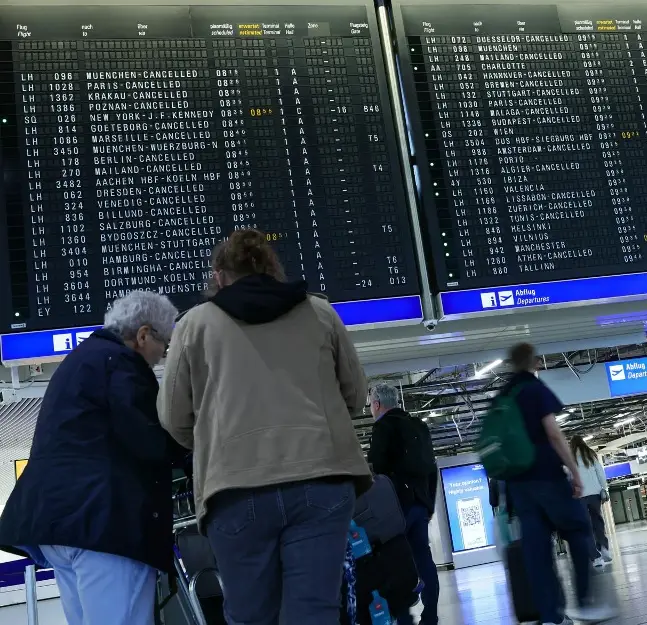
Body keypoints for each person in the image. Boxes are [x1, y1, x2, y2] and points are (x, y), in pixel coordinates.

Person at [159, 229, 371, 625]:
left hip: (235, 489)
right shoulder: (319, 312)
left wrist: (213, 442)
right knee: (314, 614)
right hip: (321, 477)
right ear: (272, 267)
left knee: (251, 616)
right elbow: (356, 394)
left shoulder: (194, 325)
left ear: (219, 276)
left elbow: (173, 416)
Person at [0, 291, 184, 625]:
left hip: (58, 526)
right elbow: (150, 441)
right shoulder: (121, 364)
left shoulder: (80, 361)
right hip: (103, 525)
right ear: (143, 335)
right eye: (164, 345)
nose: (162, 356)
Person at [499, 343, 617, 625]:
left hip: (519, 487)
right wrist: (575, 471)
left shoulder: (503, 396)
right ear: (534, 362)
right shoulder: (534, 389)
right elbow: (553, 433)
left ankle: (551, 616)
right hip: (547, 477)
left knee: (537, 550)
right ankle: (585, 602)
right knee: (578, 530)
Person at [368, 383, 440, 625]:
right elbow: (432, 466)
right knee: (423, 558)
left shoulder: (383, 427)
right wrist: (428, 504)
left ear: (377, 404)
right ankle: (430, 616)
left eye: (370, 405)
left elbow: (376, 470)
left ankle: (403, 618)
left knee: (396, 564)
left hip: (395, 508)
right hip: (420, 505)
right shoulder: (419, 426)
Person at [569, 435, 612, 567]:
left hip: (580, 495)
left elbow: (569, 476)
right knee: (597, 521)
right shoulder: (590, 454)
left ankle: (595, 557)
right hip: (595, 494)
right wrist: (603, 488)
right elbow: (600, 472)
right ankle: (604, 547)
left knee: (585, 527)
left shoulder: (570, 457)